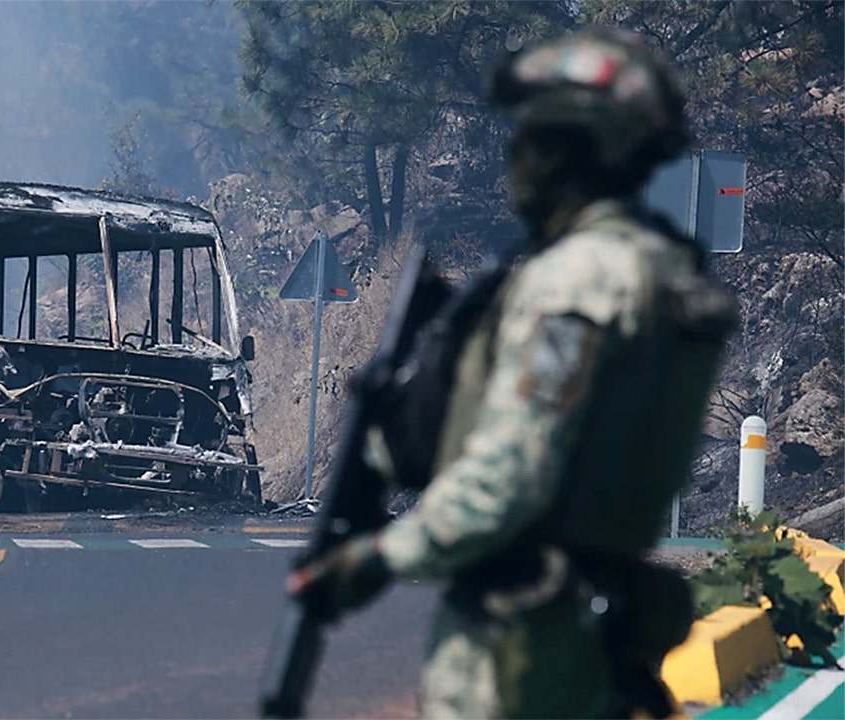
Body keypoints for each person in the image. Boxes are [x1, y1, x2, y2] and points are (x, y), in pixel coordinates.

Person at [288, 26, 736, 719]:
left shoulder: (575, 284)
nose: (515, 160)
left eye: (530, 139)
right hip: (605, 628)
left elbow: (513, 473)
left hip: (521, 649)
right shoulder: (666, 271)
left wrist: (377, 558)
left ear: (568, 151)